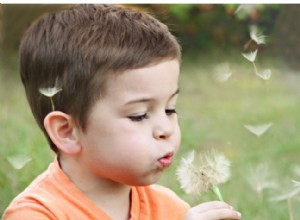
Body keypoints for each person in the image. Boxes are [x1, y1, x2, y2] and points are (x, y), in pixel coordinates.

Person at [3, 4, 241, 220]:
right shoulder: (36, 214)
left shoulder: (170, 209)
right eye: (139, 115)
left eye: (170, 109)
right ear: (68, 132)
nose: (166, 129)